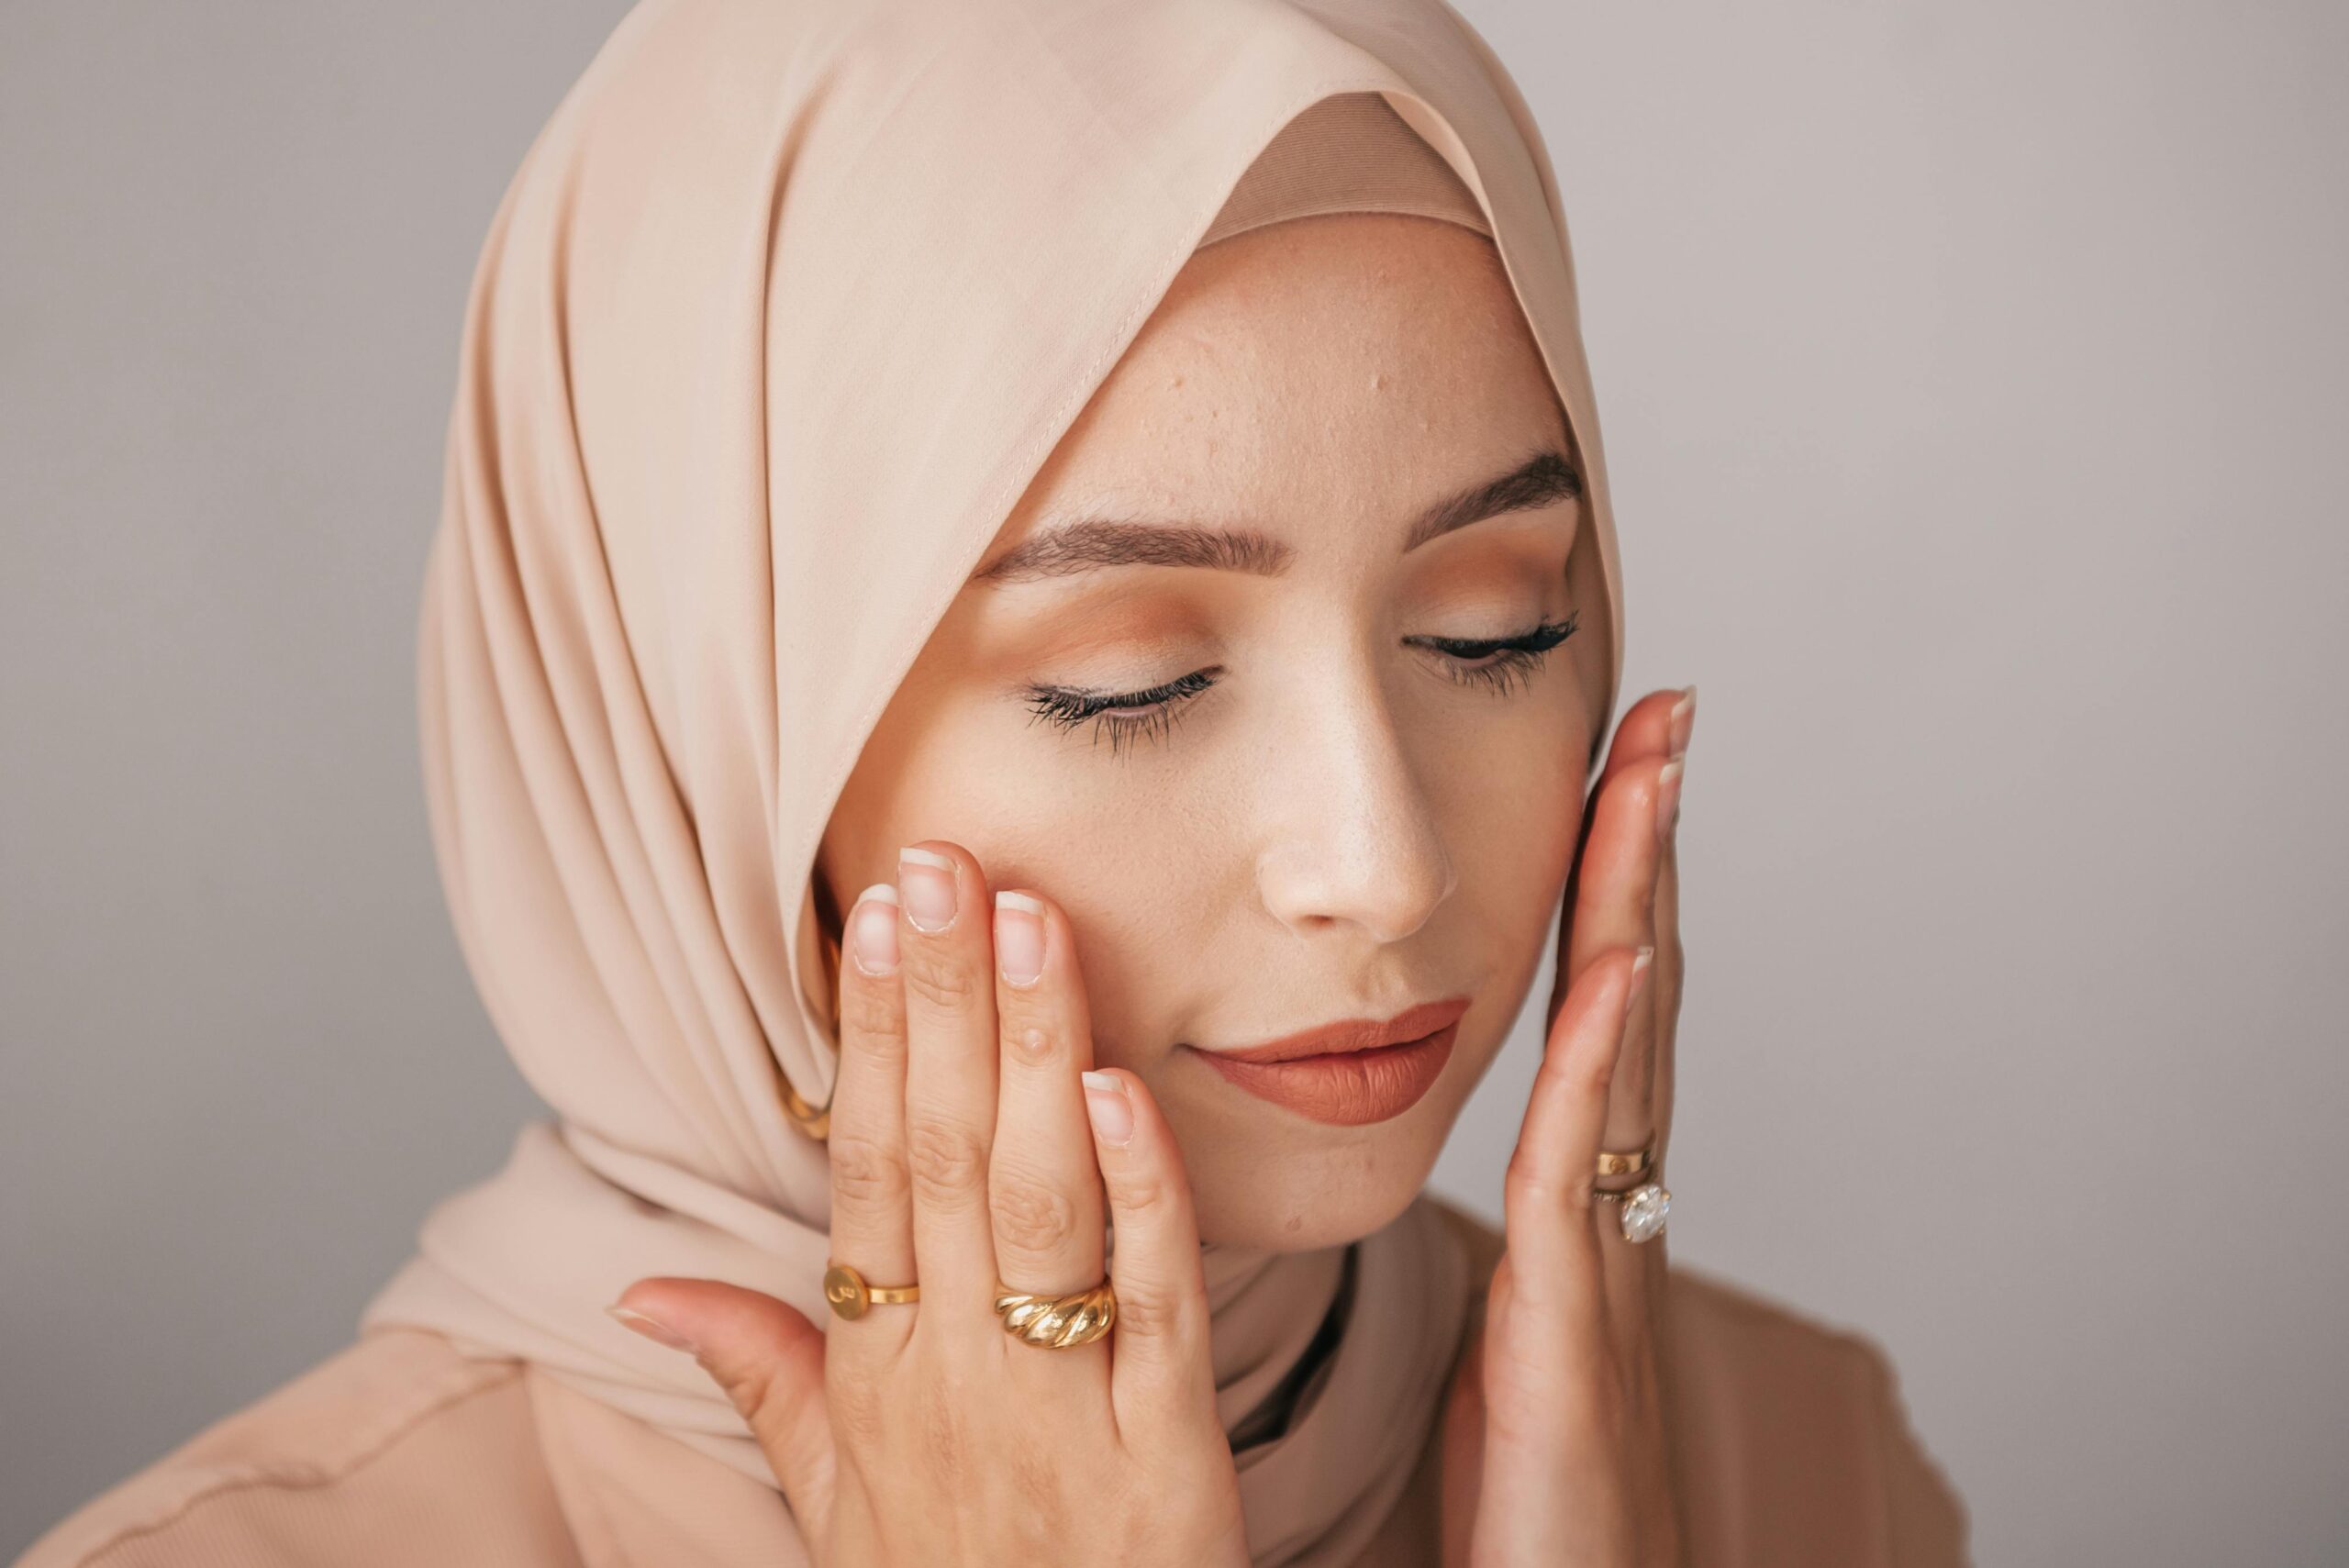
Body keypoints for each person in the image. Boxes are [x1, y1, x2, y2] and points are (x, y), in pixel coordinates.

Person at [16, 2, 1969, 1565]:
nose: (1374, 869)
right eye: (1130, 681)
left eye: (1490, 628)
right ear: (704, 752)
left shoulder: (1797, 1474)